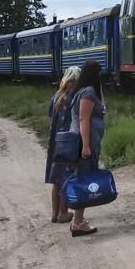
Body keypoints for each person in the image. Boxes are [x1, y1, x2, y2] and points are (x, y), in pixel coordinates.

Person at [67, 59, 106, 238]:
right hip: (85, 143)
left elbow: (103, 108)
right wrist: (86, 146)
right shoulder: (88, 92)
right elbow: (84, 119)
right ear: (94, 74)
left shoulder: (83, 91)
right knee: (83, 181)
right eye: (98, 73)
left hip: (85, 141)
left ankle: (77, 220)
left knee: (82, 178)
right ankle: (78, 223)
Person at [45, 66, 80, 224]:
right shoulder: (74, 96)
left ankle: (54, 213)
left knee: (57, 179)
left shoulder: (56, 96)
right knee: (67, 178)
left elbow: (50, 114)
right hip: (69, 142)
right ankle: (64, 213)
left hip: (56, 141)